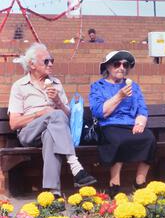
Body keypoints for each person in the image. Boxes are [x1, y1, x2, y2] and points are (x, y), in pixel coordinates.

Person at [8, 43, 97, 197]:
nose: (51, 64)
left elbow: (67, 117)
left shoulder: (56, 83)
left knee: (50, 136)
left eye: (52, 61)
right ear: (32, 64)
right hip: (29, 133)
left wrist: (58, 102)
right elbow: (14, 123)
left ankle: (53, 192)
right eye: (46, 61)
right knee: (54, 115)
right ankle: (75, 166)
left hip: (53, 131)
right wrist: (41, 114)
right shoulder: (19, 86)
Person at [89, 51, 156, 198]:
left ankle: (139, 181)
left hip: (131, 124)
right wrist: (119, 96)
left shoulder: (134, 86)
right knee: (118, 140)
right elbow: (99, 112)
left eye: (125, 65)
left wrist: (140, 122)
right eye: (116, 64)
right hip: (109, 124)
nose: (121, 67)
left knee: (149, 138)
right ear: (107, 66)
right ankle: (115, 182)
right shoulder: (98, 86)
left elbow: (142, 108)